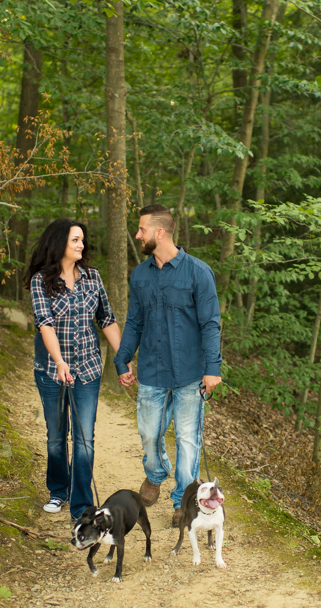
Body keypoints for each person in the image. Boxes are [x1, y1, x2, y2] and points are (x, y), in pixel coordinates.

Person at [115, 204, 223, 527]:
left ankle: (184, 501)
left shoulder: (198, 273)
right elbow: (134, 321)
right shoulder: (140, 275)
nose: (138, 235)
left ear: (159, 233)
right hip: (152, 370)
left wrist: (213, 369)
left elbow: (210, 324)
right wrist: (123, 358)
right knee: (149, 433)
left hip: (192, 374)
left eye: (142, 229)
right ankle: (156, 473)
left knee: (188, 439)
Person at [26, 218, 122, 522]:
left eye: (82, 240)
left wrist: (124, 357)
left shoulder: (93, 277)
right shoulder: (41, 281)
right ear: (59, 244)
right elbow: (45, 324)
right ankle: (58, 491)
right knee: (56, 435)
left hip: (89, 369)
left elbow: (106, 319)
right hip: (52, 371)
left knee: (84, 438)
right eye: (75, 240)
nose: (81, 245)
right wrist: (59, 360)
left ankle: (81, 504)